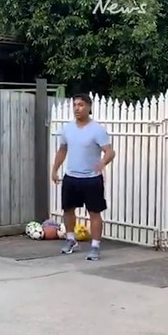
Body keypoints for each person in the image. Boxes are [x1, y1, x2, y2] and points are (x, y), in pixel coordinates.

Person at [51, 93, 115, 261]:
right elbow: (62, 150)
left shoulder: (97, 130)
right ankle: (71, 240)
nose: (76, 108)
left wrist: (103, 162)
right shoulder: (67, 129)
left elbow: (109, 151)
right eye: (74, 105)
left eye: (80, 105)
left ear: (88, 107)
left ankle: (95, 246)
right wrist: (55, 169)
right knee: (68, 210)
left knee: (94, 213)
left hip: (91, 178)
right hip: (71, 176)